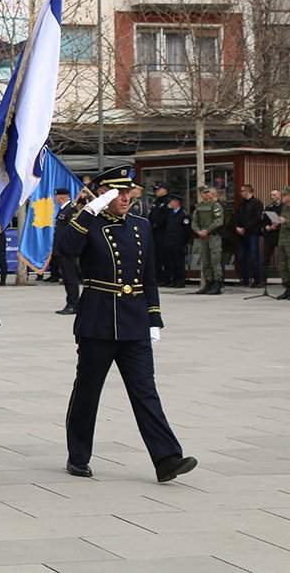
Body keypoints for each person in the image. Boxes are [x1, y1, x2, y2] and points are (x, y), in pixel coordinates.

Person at [56, 165, 197, 483]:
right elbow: (65, 250)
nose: (125, 198)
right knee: (88, 391)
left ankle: (167, 458)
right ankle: (78, 455)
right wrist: (89, 210)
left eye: (127, 192)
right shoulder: (89, 223)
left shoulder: (141, 226)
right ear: (103, 194)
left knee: (146, 391)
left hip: (133, 321)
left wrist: (154, 317)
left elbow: (148, 276)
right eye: (117, 192)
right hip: (98, 320)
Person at [191, 187, 224, 295]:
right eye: (203, 193)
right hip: (203, 237)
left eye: (207, 192)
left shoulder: (216, 205)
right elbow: (194, 221)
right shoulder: (199, 206)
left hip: (213, 236)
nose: (205, 195)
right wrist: (198, 231)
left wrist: (207, 230)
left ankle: (217, 284)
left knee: (215, 260)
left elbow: (219, 221)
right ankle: (208, 283)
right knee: (205, 262)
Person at [54, 188, 80, 315]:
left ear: (62, 197)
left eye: (57, 196)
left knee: (71, 278)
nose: (56, 198)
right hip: (61, 249)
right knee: (66, 278)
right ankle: (70, 302)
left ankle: (73, 304)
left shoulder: (71, 210)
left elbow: (72, 231)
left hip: (68, 250)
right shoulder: (63, 209)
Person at [233, 184, 264, 287]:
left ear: (248, 191)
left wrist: (245, 228)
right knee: (242, 257)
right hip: (241, 234)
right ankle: (244, 278)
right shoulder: (241, 204)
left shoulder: (257, 203)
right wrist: (237, 227)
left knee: (254, 256)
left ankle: (257, 280)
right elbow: (236, 216)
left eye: (242, 191)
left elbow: (257, 218)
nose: (240, 193)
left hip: (252, 233)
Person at [161, 194, 191, 288]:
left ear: (177, 203)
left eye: (172, 201)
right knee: (170, 262)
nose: (170, 203)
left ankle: (180, 280)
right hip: (169, 241)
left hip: (178, 242)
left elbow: (186, 230)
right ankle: (172, 280)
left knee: (179, 263)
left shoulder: (183, 214)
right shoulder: (169, 213)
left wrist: (184, 242)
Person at [148, 182, 170, 284]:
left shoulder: (167, 201)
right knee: (156, 256)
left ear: (165, 190)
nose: (156, 191)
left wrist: (157, 224)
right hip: (154, 232)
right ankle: (158, 277)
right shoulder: (156, 201)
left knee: (164, 257)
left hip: (163, 233)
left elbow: (165, 217)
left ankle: (165, 278)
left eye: (158, 189)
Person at [262, 189, 283, 277]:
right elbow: (264, 220)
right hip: (269, 235)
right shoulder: (268, 207)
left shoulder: (284, 207)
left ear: (279, 195)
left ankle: (285, 279)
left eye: (274, 195)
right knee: (266, 257)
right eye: (271, 195)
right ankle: (263, 279)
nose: (272, 197)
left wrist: (277, 225)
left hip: (280, 234)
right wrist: (266, 226)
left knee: (283, 257)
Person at [276, 187, 290, 300]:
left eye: (284, 195)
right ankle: (287, 288)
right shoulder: (284, 207)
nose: (282, 197)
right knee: (282, 266)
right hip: (282, 240)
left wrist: (286, 221)